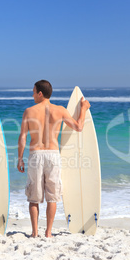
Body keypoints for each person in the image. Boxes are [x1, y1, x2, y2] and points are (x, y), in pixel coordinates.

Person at [17, 80, 90, 238]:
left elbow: (22, 137)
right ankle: (48, 233)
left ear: (40, 93)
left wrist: (20, 158)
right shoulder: (60, 110)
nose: (32, 94)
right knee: (52, 195)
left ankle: (35, 233)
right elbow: (78, 126)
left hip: (35, 155)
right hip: (53, 155)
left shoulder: (29, 111)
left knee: (33, 197)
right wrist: (83, 109)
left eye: (34, 91)